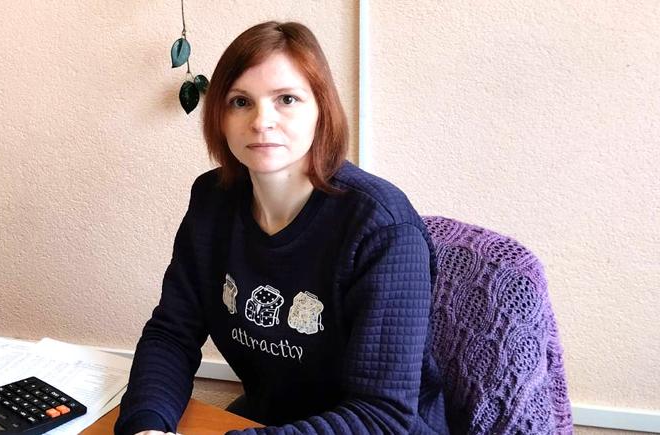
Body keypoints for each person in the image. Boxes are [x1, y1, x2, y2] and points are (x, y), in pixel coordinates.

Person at [115, 21, 448, 435]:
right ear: (220, 116)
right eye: (240, 102)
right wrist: (146, 424)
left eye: (286, 99)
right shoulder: (211, 201)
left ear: (321, 109)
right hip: (269, 421)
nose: (261, 121)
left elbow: (381, 415)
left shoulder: (382, 228)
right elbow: (171, 335)